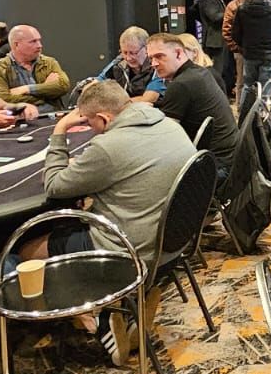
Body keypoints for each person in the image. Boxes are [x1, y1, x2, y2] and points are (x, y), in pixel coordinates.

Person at [44, 80, 195, 264]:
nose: (92, 129)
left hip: (131, 253)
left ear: (104, 118)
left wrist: (60, 128)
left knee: (26, 249)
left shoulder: (107, 148)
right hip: (175, 243)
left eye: (91, 123)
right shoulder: (170, 124)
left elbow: (53, 185)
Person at [146, 31, 237, 169]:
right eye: (151, 58)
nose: (154, 63)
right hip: (231, 158)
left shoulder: (181, 84)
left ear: (178, 53)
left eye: (159, 56)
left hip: (215, 167)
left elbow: (165, 138)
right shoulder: (200, 72)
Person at [0, 25, 71, 105]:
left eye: (39, 40)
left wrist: (28, 89)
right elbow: (5, 100)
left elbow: (63, 86)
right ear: (16, 44)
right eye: (33, 41)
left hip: (53, 116)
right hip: (20, 119)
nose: (39, 45)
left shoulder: (49, 62)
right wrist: (47, 92)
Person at [189, 0, 233, 91]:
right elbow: (215, 17)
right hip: (215, 40)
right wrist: (231, 13)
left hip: (221, 38)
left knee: (225, 69)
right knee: (218, 71)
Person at [221, 0, 257, 100]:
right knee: (242, 81)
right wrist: (237, 48)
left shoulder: (260, 3)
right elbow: (226, 30)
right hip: (241, 51)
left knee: (257, 82)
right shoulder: (233, 6)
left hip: (257, 50)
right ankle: (241, 110)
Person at [98, 26, 159, 97]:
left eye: (133, 53)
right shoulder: (120, 62)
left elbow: (148, 98)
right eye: (124, 52)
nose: (128, 58)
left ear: (146, 48)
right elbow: (99, 80)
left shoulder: (156, 65)